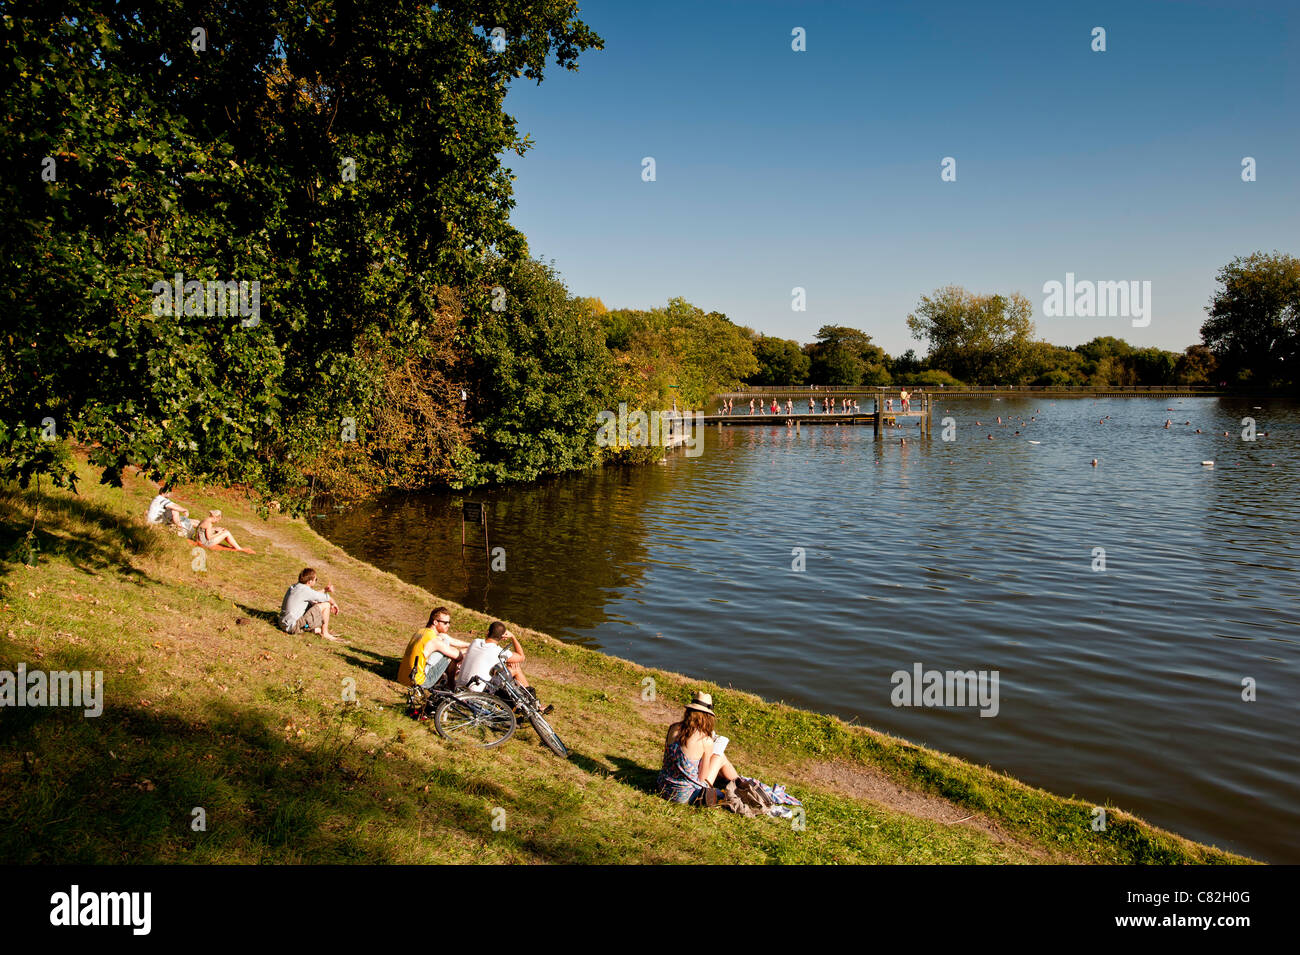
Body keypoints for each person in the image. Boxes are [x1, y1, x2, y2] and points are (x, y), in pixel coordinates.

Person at [656, 692, 740, 806]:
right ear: (708, 717)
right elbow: (702, 777)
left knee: (716, 756)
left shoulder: (673, 728)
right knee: (720, 758)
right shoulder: (705, 741)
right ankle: (741, 785)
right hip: (684, 796)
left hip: (663, 786)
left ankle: (738, 781)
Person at [456, 621, 550, 712]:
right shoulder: (498, 651)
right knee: (515, 669)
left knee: (506, 667)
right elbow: (521, 657)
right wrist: (513, 637)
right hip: (477, 692)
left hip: (460, 688)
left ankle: (526, 700)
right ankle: (533, 702)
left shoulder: (475, 642)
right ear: (502, 637)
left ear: (488, 632)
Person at [398, 607, 470, 692]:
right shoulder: (434, 641)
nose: (448, 625)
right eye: (445, 623)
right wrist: (466, 651)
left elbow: (449, 640)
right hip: (419, 682)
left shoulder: (422, 632)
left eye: (449, 622)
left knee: (445, 641)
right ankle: (451, 686)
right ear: (435, 622)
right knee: (450, 657)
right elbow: (458, 656)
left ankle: (447, 683)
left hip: (403, 678)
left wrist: (471, 645)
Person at [279, 567, 340, 640]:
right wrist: (334, 604)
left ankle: (310, 628)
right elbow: (328, 598)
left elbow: (313, 596)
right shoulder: (305, 591)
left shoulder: (294, 587)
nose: (316, 581)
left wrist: (324, 590)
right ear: (310, 581)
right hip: (292, 627)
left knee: (313, 603)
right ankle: (325, 633)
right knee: (326, 605)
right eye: (315, 579)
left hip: (283, 623)